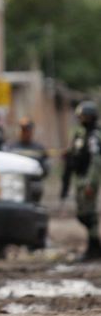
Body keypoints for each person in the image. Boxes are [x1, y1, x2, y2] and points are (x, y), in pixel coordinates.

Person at [62, 101, 101, 261]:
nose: (81, 119)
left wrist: (91, 183)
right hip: (79, 177)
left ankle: (94, 248)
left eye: (83, 116)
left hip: (88, 179)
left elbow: (96, 161)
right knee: (82, 214)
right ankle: (93, 248)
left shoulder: (94, 136)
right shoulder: (80, 134)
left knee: (88, 214)